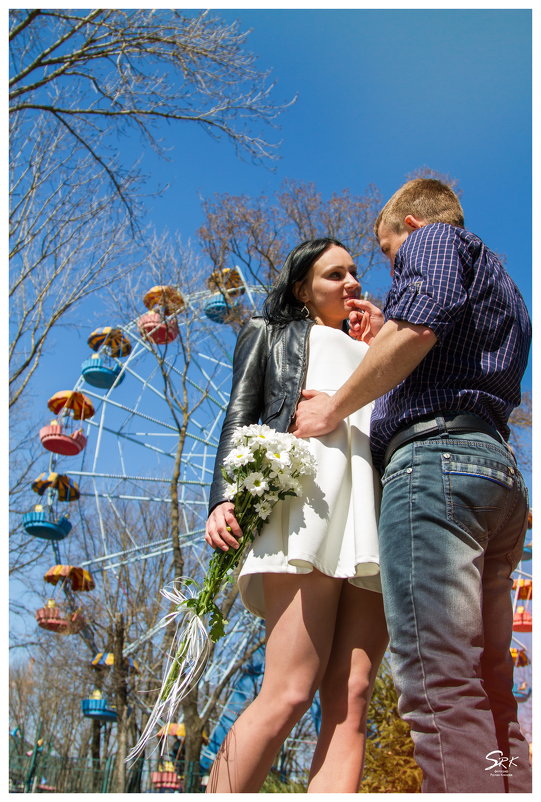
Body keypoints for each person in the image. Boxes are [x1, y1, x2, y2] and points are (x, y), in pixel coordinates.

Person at [291, 179, 532, 793]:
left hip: (436, 471)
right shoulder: (502, 282)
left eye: (387, 249)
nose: (388, 265)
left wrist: (333, 408)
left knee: (437, 680)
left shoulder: (435, 240)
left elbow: (421, 324)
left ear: (411, 225)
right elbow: (439, 346)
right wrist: (384, 340)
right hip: (497, 476)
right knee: (492, 686)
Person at [204, 237, 388, 793]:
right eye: (335, 275)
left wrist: (383, 342)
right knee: (288, 690)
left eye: (355, 272)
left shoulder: (384, 345)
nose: (351, 282)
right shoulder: (269, 333)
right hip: (307, 503)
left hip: (373, 511)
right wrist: (223, 496)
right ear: (301, 289)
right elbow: (240, 412)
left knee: (352, 698)